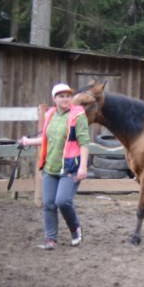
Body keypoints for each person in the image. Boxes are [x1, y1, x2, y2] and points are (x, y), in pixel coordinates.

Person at [18, 83, 90, 249]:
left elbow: (84, 142)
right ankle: (51, 239)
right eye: (61, 96)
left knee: (63, 201)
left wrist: (83, 167)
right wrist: (27, 141)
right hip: (50, 166)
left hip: (70, 166)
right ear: (54, 99)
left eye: (67, 96)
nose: (65, 99)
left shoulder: (77, 116)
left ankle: (75, 228)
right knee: (49, 203)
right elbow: (46, 139)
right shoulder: (50, 115)